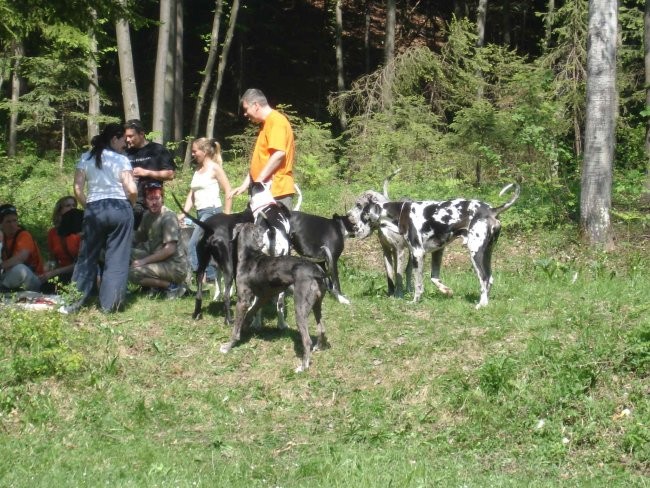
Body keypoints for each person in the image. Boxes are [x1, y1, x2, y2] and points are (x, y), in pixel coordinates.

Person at [67, 123, 138, 314]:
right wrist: (129, 205)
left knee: (86, 257)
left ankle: (72, 304)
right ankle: (110, 306)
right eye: (123, 139)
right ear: (114, 139)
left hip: (95, 209)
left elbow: (77, 189)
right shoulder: (121, 160)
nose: (126, 143)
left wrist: (88, 206)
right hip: (120, 207)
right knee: (117, 258)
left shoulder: (85, 158)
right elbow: (132, 189)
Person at [229, 88, 296, 209]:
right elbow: (262, 160)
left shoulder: (276, 121)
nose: (245, 114)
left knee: (273, 228)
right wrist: (245, 185)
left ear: (256, 105)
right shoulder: (265, 124)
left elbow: (279, 154)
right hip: (263, 189)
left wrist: (258, 181)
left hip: (275, 191)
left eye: (245, 109)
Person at [179, 137, 232, 283]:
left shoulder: (215, 168)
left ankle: (206, 277)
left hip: (212, 212)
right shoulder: (198, 169)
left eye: (195, 151)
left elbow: (228, 190)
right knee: (205, 245)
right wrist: (183, 213)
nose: (193, 154)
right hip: (200, 212)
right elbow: (192, 194)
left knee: (194, 243)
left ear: (205, 151)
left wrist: (226, 216)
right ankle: (208, 276)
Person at [129, 182, 188, 299]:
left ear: (162, 199)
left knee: (133, 273)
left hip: (174, 266)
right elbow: (137, 237)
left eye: (157, 198)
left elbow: (169, 250)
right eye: (150, 199)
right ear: (145, 200)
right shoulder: (147, 216)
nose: (154, 202)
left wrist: (143, 261)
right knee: (125, 253)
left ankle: (173, 286)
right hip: (157, 259)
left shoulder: (168, 217)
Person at [124, 119, 176, 229]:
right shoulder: (125, 153)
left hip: (152, 204)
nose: (127, 140)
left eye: (131, 136)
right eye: (126, 137)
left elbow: (170, 174)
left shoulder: (157, 150)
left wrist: (146, 172)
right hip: (129, 204)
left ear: (141, 134)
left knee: (152, 241)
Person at [0, 203, 45, 292]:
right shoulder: (2, 236)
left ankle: (2, 291)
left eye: (15, 220)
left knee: (19, 269)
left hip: (33, 278)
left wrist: (1, 266)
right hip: (10, 277)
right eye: (8, 221)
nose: (13, 224)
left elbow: (21, 258)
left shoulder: (24, 235)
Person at [41, 205, 84, 290]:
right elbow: (52, 259)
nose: (72, 208)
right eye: (67, 205)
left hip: (77, 272)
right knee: (45, 287)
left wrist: (55, 272)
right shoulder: (53, 233)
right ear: (58, 213)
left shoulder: (81, 234)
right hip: (62, 271)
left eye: (73, 205)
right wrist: (48, 268)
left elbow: (81, 264)